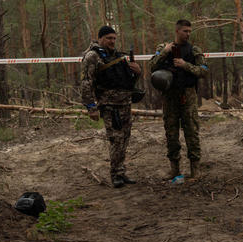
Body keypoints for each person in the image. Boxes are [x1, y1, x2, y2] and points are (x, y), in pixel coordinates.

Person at [81, 26, 142, 188]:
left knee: (125, 138)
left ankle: (121, 171)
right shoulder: (92, 56)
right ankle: (115, 174)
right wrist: (91, 107)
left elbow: (127, 80)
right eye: (109, 38)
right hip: (109, 106)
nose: (112, 41)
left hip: (125, 103)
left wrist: (137, 72)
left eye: (114, 38)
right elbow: (86, 82)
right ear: (100, 38)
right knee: (116, 139)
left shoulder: (117, 56)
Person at [150, 19, 209, 180]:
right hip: (170, 96)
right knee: (171, 132)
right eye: (185, 31)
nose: (188, 34)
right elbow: (152, 66)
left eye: (190, 31)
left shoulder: (194, 50)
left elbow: (204, 70)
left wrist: (185, 65)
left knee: (191, 131)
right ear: (177, 31)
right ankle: (174, 169)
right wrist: (165, 52)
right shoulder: (163, 48)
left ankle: (195, 169)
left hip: (188, 95)